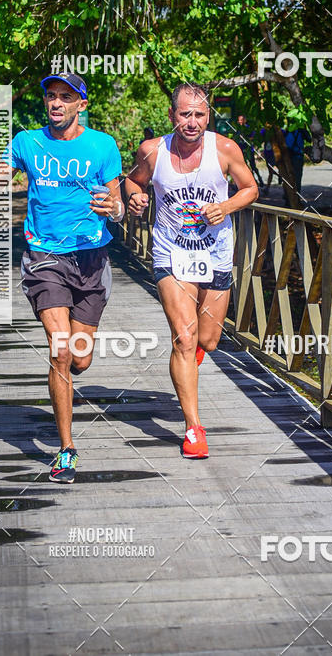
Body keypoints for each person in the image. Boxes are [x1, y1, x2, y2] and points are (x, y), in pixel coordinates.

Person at [0, 71, 124, 484]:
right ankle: (66, 449)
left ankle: (66, 381)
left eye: (65, 97)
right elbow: (4, 170)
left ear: (81, 105)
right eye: (51, 96)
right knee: (59, 351)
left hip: (91, 258)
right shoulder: (27, 142)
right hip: (44, 258)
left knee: (79, 359)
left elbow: (117, 199)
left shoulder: (103, 145)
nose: (55, 103)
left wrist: (116, 208)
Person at [125, 83, 259, 458]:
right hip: (171, 254)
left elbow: (250, 189)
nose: (192, 122)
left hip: (215, 252)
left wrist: (227, 206)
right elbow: (132, 182)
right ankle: (193, 428)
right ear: (172, 116)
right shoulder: (153, 151)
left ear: (208, 117)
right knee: (184, 339)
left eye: (200, 115)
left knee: (208, 341)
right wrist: (135, 197)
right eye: (185, 114)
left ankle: (189, 366)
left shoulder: (225, 149)